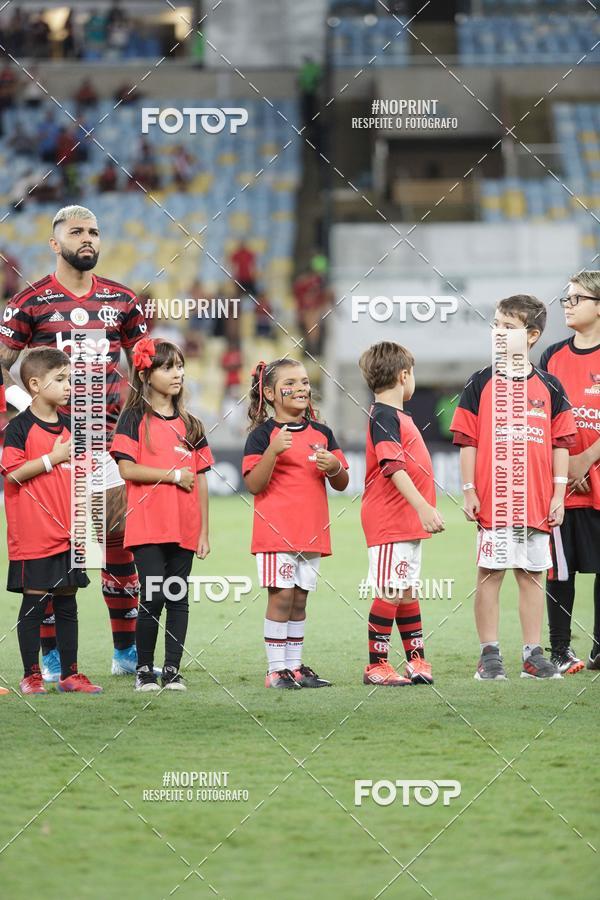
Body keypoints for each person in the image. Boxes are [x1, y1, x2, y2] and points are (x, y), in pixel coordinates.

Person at [0, 205, 148, 681]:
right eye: (78, 231)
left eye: (95, 232)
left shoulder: (123, 300)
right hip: (52, 449)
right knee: (52, 551)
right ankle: (51, 658)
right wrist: (27, 405)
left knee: (120, 541)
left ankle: (124, 650)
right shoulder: (29, 302)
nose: (88, 239)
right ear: (54, 242)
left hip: (104, 442)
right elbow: (3, 360)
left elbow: (142, 367)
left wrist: (138, 426)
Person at [450, 294, 577, 680]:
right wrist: (470, 490)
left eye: (508, 327)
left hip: (537, 501)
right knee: (490, 573)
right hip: (494, 499)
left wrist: (557, 496)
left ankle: (532, 654)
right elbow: (467, 441)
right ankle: (489, 655)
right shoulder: (481, 382)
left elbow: (560, 445)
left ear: (533, 335)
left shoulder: (550, 387)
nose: (499, 332)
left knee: (532, 575)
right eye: (496, 325)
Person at [110, 338, 212, 692]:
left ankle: (171, 670)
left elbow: (200, 481)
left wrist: (204, 532)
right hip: (148, 525)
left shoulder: (192, 425)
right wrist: (172, 475)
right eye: (168, 367)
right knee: (153, 594)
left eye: (180, 366)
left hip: (184, 526)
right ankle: (143, 670)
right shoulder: (134, 418)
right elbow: (127, 470)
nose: (177, 373)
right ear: (146, 374)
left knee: (177, 597)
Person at [243, 357, 349, 689]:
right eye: (291, 383)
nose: (302, 388)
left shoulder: (323, 433)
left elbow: (342, 482)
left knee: (300, 600)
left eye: (305, 381)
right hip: (276, 534)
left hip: (311, 532)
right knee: (281, 598)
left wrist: (333, 466)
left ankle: (294, 666)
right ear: (271, 393)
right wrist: (273, 453)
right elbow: (253, 484)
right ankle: (276, 670)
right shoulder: (263, 436)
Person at [0, 348, 101, 695]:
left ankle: (70, 674)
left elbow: (84, 474)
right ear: (34, 385)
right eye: (60, 380)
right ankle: (31, 675)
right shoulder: (19, 428)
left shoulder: (74, 426)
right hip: (34, 533)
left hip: (69, 530)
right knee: (35, 601)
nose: (68, 386)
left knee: (67, 601)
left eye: (69, 378)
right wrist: (52, 458)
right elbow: (12, 475)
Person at [359, 342, 444, 687]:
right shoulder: (383, 415)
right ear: (404, 375)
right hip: (390, 518)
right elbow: (393, 467)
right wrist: (422, 505)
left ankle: (416, 660)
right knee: (391, 589)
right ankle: (376, 665)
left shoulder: (395, 416)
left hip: (404, 520)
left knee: (407, 589)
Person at [539, 271, 600, 672]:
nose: (568, 304)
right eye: (566, 298)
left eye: (577, 298)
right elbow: (542, 418)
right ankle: (559, 651)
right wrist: (566, 463)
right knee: (560, 571)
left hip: (593, 479)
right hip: (562, 486)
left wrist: (587, 459)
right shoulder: (551, 356)